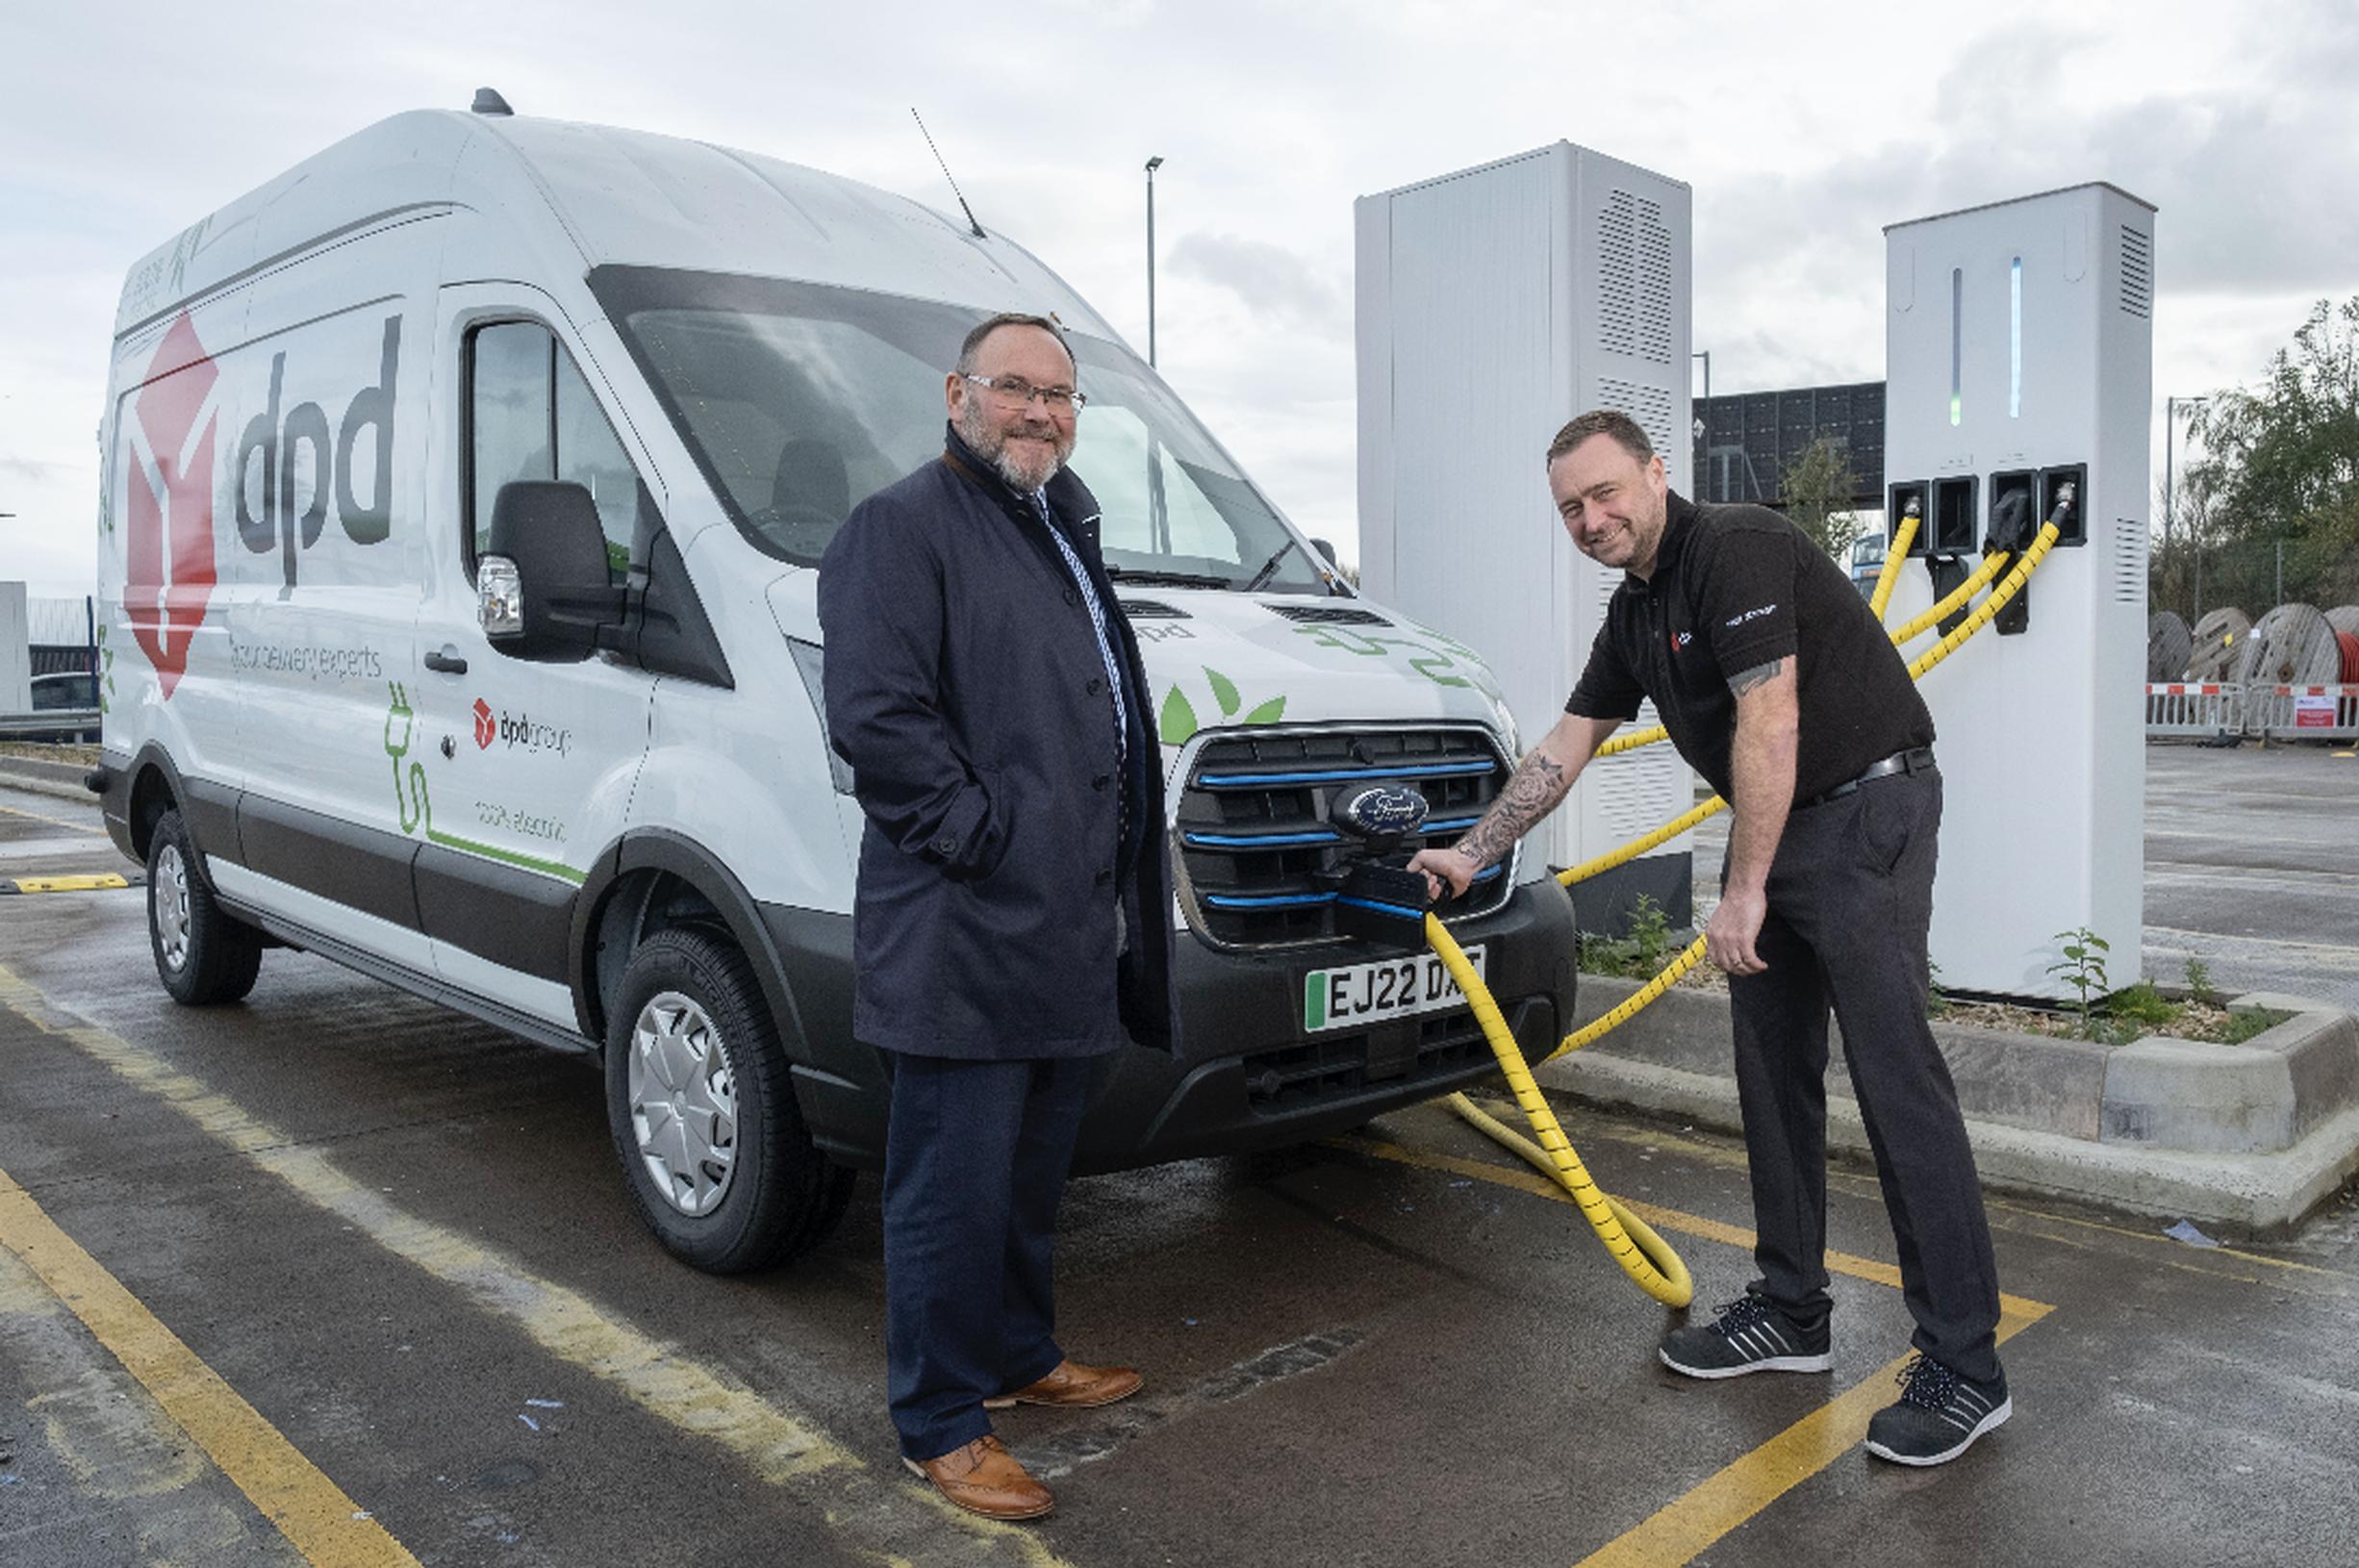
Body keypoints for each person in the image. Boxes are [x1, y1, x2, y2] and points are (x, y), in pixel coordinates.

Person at [1407, 409, 2010, 1468]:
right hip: (1785, 825)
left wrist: (1741, 890)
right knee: (1770, 1071)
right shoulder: (1635, 611)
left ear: (1653, 472)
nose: (1592, 519)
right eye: (1570, 509)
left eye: (1604, 493)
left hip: (1865, 814)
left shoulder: (1733, 547)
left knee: (1893, 1079)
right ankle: (1792, 1310)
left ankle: (1965, 1366)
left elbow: (1767, 717)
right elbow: (1567, 741)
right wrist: (1474, 847)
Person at [818, 312, 1173, 1519]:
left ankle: (1019, 1355)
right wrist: (989, 837)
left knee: (1027, 1174)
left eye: (1060, 396)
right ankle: (938, 1420)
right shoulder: (900, 528)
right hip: (965, 925)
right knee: (949, 1188)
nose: (1040, 412)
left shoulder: (1055, 522)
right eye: (1015, 389)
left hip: (1065, 924)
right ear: (958, 395)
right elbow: (877, 721)